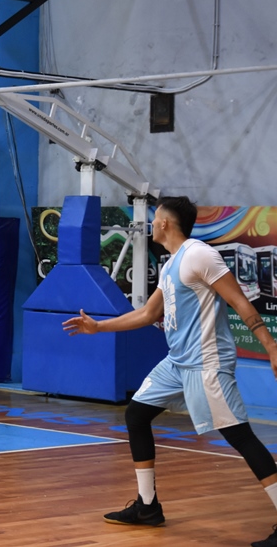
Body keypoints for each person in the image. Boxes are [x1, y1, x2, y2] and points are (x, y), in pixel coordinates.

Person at [63, 196, 277, 546]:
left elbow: (239, 300)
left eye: (154, 216)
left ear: (165, 222)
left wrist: (270, 346)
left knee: (240, 437)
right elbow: (148, 314)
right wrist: (98, 327)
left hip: (206, 362)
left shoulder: (199, 254)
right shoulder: (171, 263)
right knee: (136, 415)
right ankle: (147, 507)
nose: (150, 222)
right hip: (177, 363)